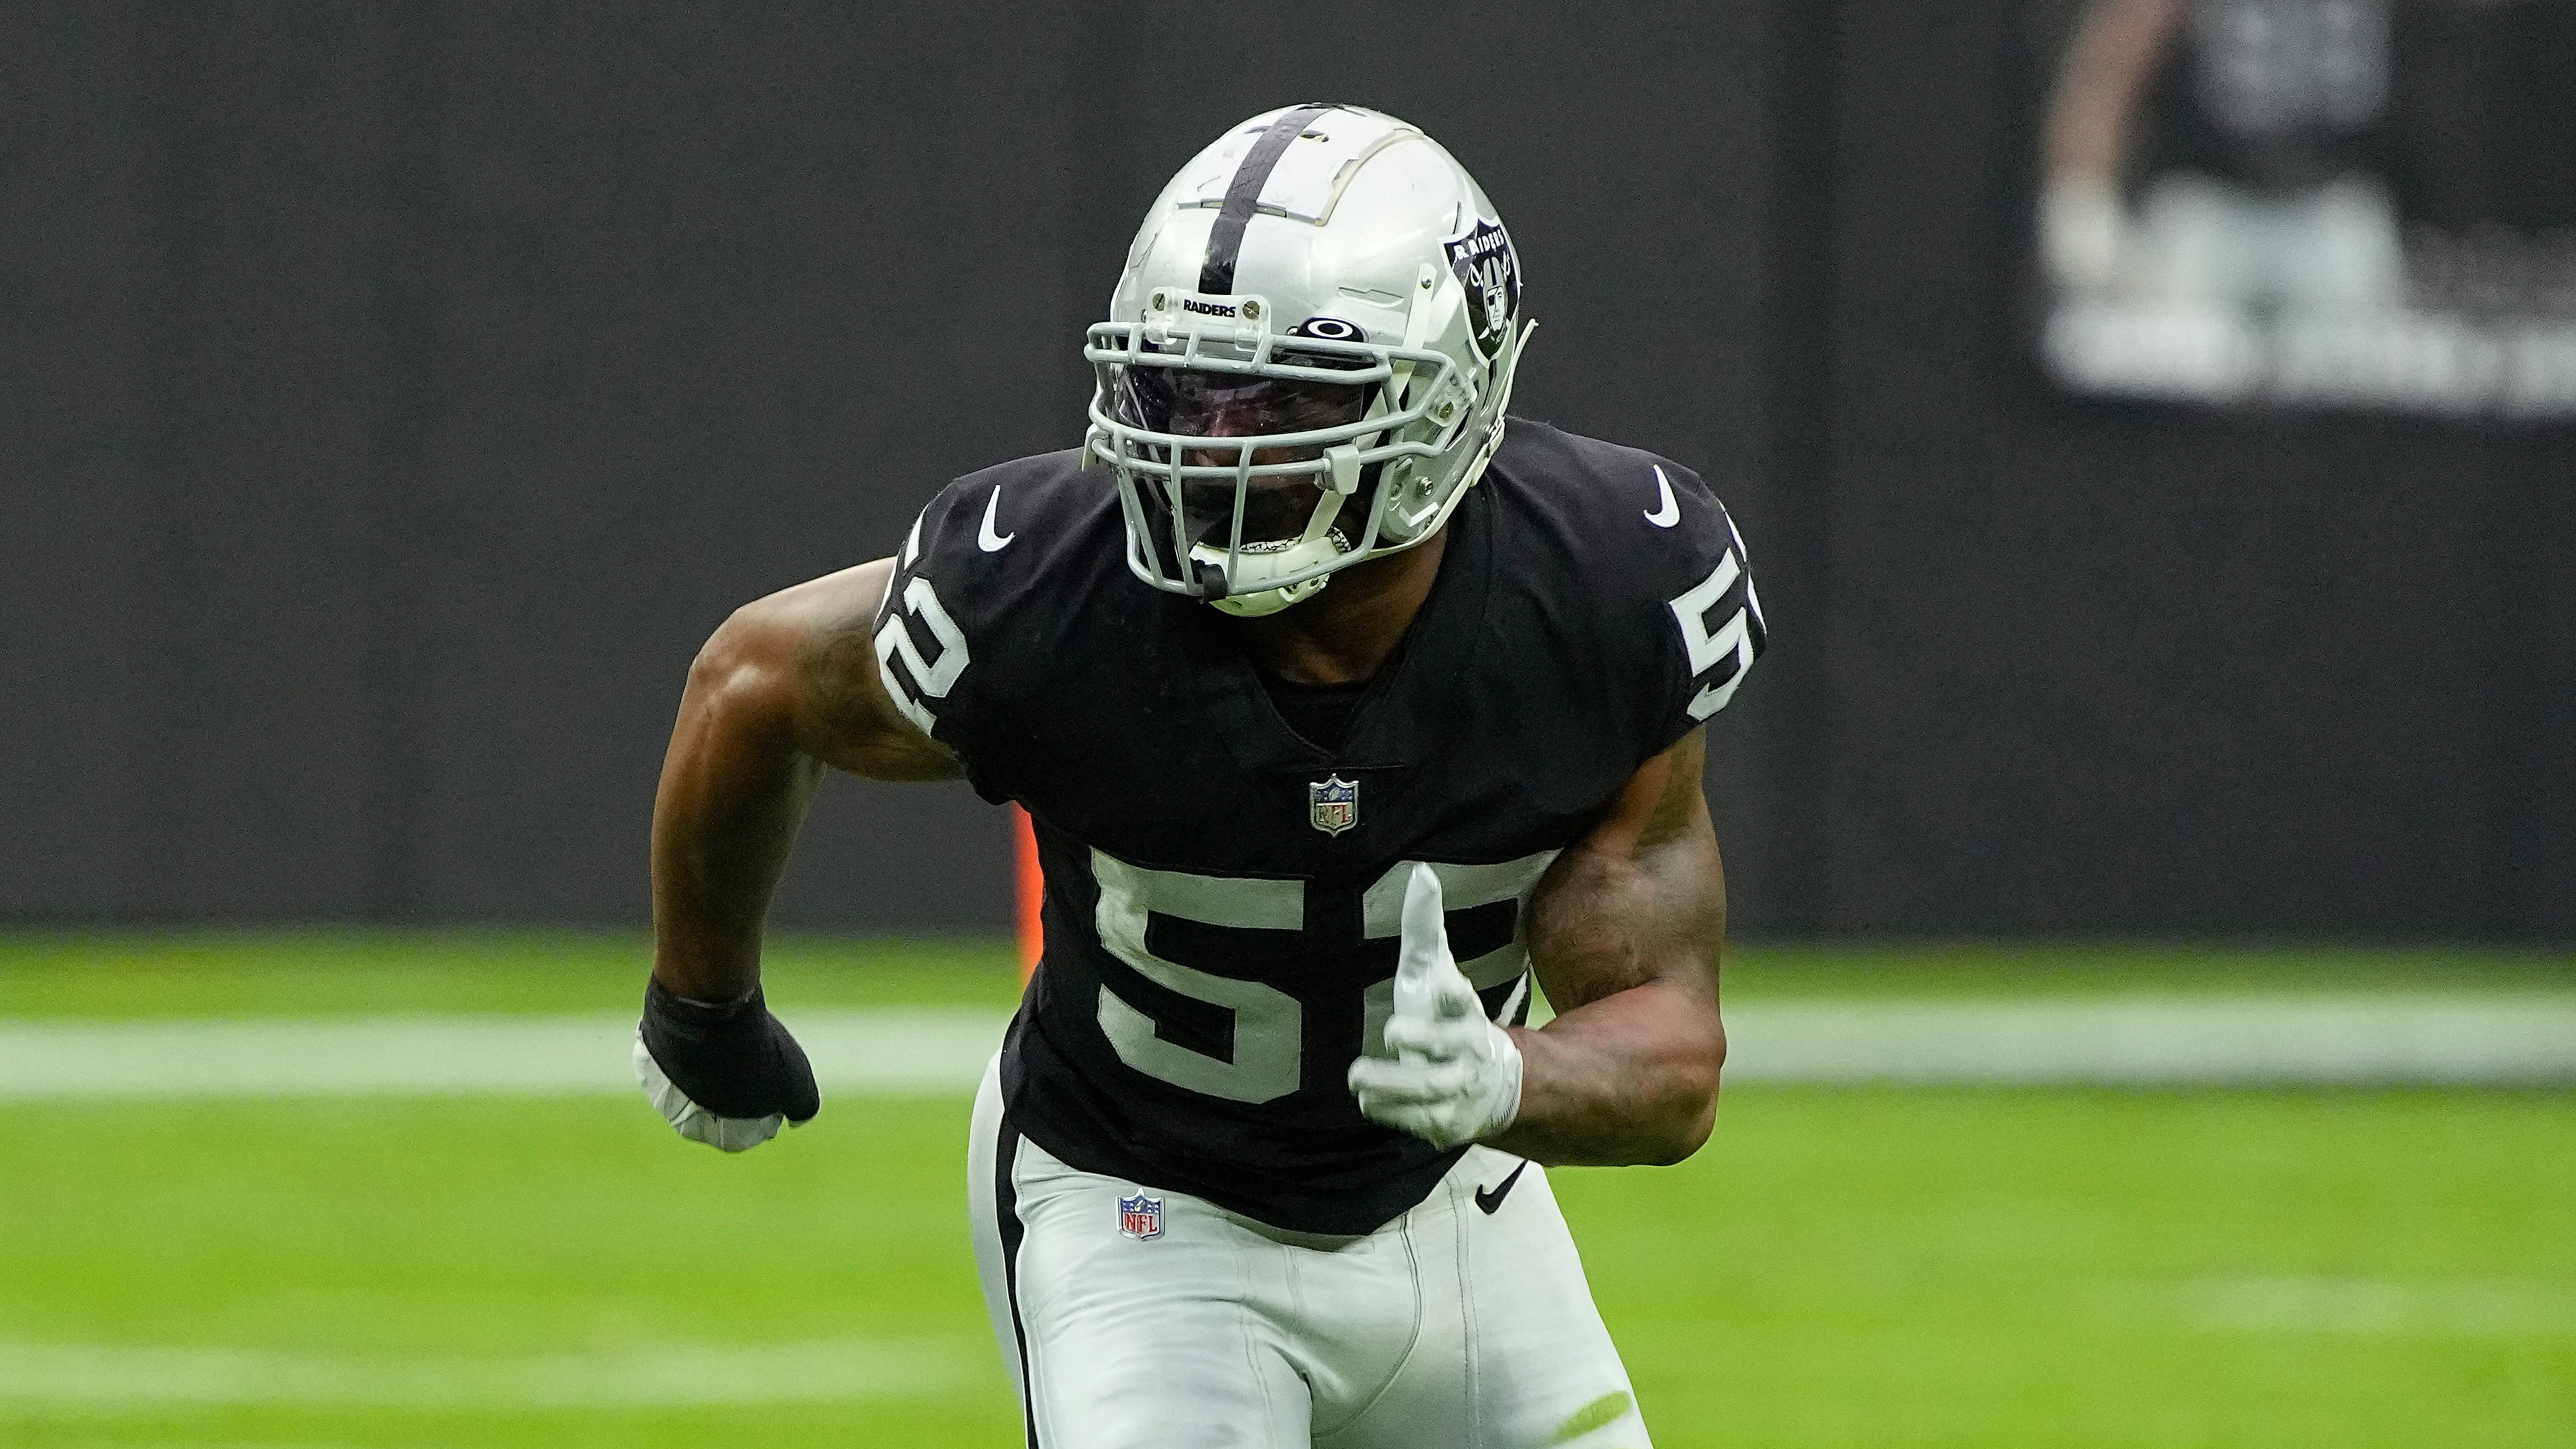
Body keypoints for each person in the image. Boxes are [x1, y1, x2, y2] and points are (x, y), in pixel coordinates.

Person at [633, 103, 1765, 1447]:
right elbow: (752, 681)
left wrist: (1508, 1081)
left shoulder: (1607, 589)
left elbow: (1673, 1056)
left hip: (1455, 1206)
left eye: (1286, 398)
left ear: (1453, 399)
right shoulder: (1050, 584)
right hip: (1143, 1207)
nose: (1217, 447)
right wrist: (704, 1006)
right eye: (1184, 390)